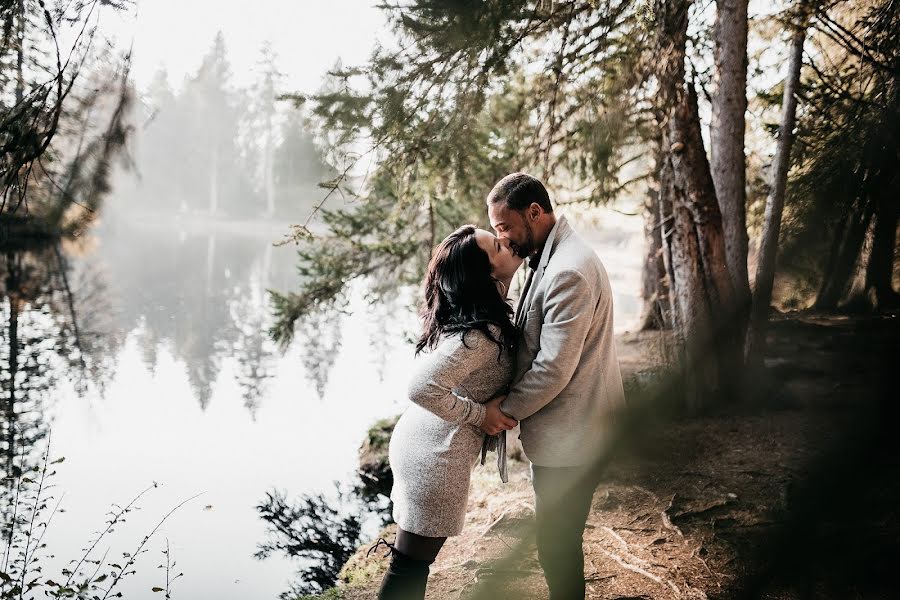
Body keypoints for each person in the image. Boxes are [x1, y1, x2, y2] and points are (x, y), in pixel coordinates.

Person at [487, 172, 625, 600]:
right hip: (570, 434)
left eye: (504, 227)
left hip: (576, 438)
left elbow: (553, 369)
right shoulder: (548, 255)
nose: (503, 238)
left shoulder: (569, 271)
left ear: (534, 212)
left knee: (557, 545)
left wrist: (504, 410)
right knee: (557, 543)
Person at [377, 224, 523, 600]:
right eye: (497, 245)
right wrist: (481, 415)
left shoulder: (480, 319)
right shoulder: (478, 335)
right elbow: (420, 387)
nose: (506, 241)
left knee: (410, 563)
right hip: (435, 454)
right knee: (409, 566)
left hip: (427, 440)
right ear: (486, 273)